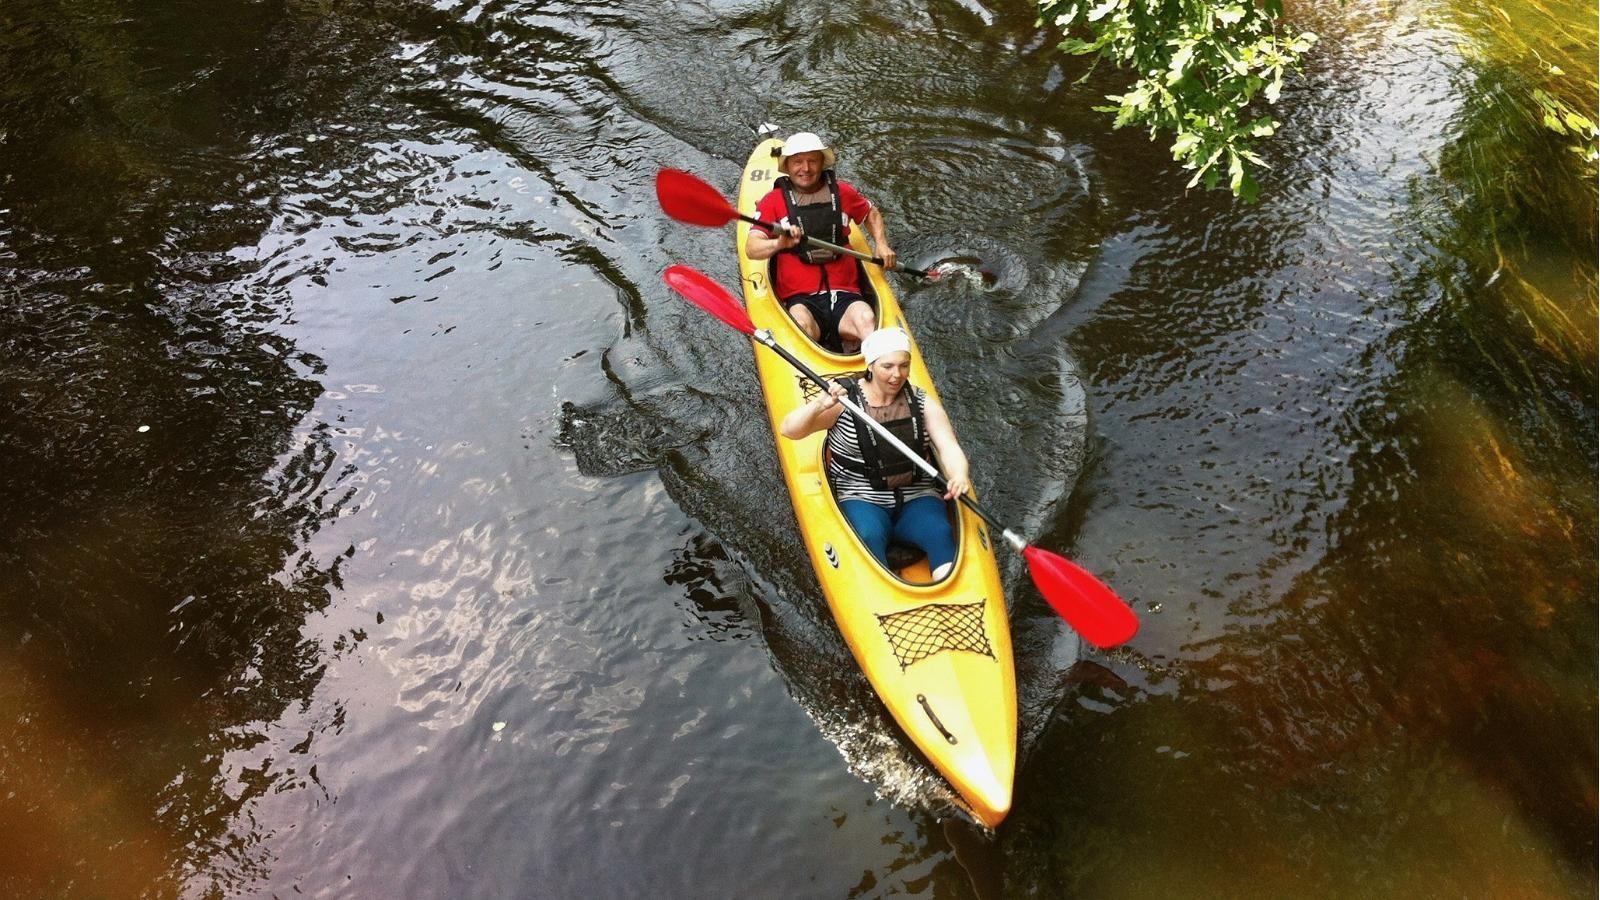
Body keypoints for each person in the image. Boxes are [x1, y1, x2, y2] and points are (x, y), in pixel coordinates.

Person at [779, 327, 970, 581]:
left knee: (939, 531)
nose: (897, 374)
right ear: (870, 365)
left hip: (916, 495)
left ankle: (949, 595)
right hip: (861, 495)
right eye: (887, 366)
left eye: (904, 365)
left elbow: (948, 447)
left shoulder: (922, 403)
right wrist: (819, 405)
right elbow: (789, 430)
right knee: (867, 536)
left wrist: (959, 474)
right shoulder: (844, 403)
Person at [744, 131, 898, 353]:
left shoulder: (843, 192)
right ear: (787, 167)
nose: (805, 169)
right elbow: (752, 248)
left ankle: (880, 372)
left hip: (846, 295)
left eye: (812, 161)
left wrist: (882, 244)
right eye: (797, 162)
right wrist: (779, 244)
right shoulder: (773, 202)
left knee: (867, 320)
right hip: (801, 300)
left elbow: (870, 213)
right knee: (801, 326)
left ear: (822, 163)